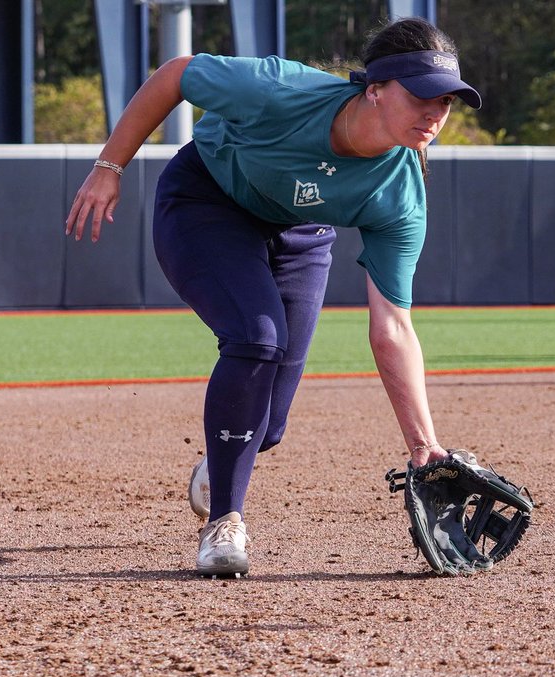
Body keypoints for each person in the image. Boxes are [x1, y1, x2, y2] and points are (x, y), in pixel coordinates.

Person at [65, 17, 482, 577]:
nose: (436, 113)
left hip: (299, 229)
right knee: (256, 339)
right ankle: (224, 523)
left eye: (448, 102)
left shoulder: (400, 194)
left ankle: (221, 461)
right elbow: (175, 75)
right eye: (423, 96)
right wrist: (109, 166)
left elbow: (393, 328)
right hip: (207, 201)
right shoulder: (282, 90)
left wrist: (424, 448)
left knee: (269, 423)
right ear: (375, 89)